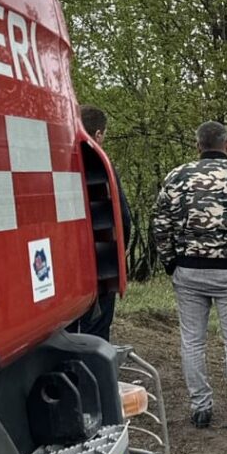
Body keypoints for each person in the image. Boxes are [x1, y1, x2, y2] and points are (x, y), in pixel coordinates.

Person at [152, 121, 227, 432]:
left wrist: (170, 264)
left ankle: (201, 409)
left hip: (188, 270)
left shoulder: (176, 177)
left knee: (192, 341)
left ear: (198, 145)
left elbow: (161, 226)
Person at [66, 105, 132, 342]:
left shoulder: (53, 160)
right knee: (96, 333)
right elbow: (121, 218)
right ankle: (91, 377)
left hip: (61, 266)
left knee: (63, 333)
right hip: (99, 263)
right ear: (98, 134)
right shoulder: (99, 164)